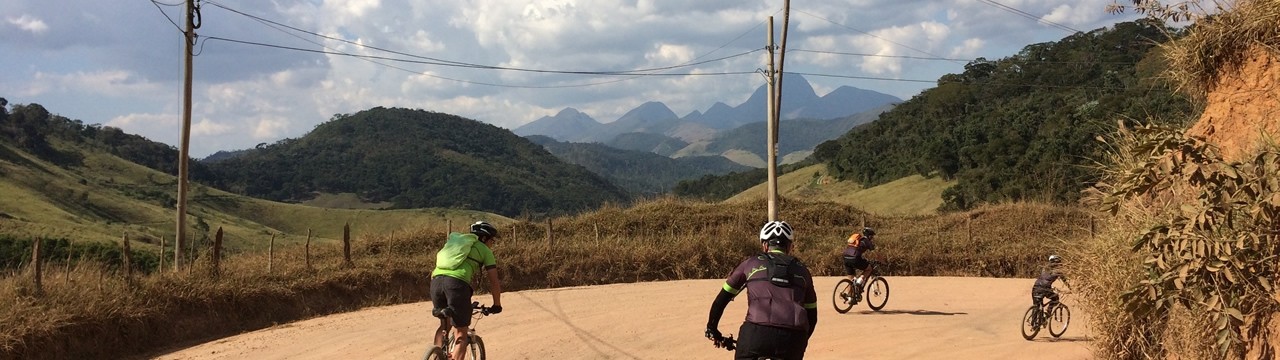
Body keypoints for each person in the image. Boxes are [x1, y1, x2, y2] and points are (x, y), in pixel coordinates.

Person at [705, 220, 819, 360]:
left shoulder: (750, 264)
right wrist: (800, 342)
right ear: (790, 246)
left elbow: (721, 299)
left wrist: (712, 328)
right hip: (793, 338)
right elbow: (812, 316)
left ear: (765, 245)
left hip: (756, 334)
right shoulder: (803, 271)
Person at [431, 221, 503, 360]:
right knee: (461, 335)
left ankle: (436, 356)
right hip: (456, 285)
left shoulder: (459, 245)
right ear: (484, 238)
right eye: (492, 240)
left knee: (444, 326)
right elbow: (494, 281)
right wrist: (496, 305)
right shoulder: (485, 250)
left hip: (436, 282)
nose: (492, 244)